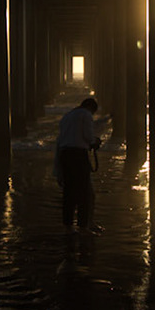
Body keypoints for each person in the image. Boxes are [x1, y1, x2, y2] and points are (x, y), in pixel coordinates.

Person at [56, 96, 101, 232]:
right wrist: (95, 142)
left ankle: (68, 224)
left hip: (65, 155)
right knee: (84, 191)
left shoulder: (67, 116)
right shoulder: (86, 115)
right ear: (91, 108)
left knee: (69, 192)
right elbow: (88, 136)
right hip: (78, 155)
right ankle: (84, 225)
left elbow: (62, 139)